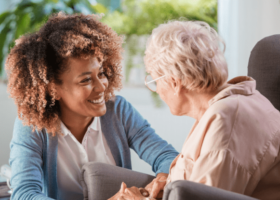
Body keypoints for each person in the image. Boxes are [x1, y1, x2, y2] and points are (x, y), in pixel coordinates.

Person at [6, 13, 179, 200]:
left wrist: (159, 183)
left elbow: (167, 157)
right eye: (86, 80)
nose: (101, 86)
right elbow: (24, 194)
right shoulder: (32, 125)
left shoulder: (119, 111)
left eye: (102, 73)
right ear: (53, 88)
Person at [109, 20, 280, 200]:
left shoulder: (225, 121)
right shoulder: (232, 104)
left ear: (174, 82)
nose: (157, 90)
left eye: (154, 80)